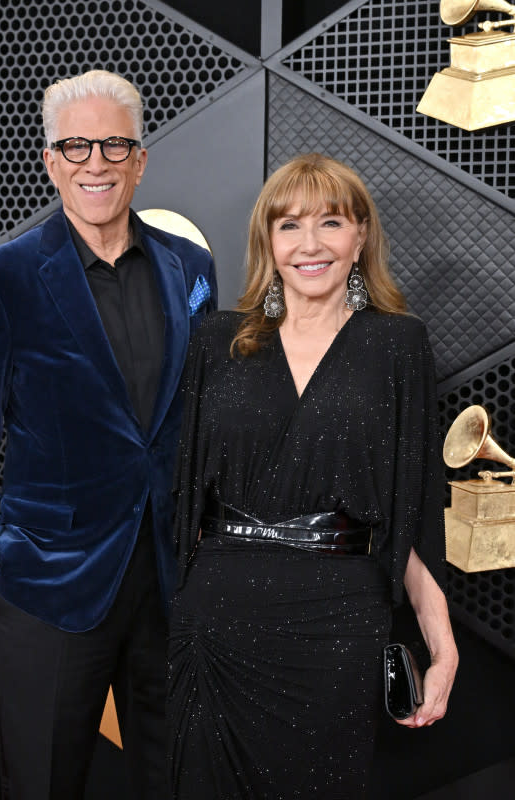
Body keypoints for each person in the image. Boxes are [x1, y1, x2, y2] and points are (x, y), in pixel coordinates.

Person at [0, 69, 217, 799]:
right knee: (42, 782)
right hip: (50, 584)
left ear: (140, 159)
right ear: (50, 161)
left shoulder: (190, 267)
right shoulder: (2, 278)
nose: (96, 163)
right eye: (76, 146)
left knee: (178, 780)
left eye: (114, 145)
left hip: (169, 579)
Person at [168, 153, 458, 799]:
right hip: (216, 619)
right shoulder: (217, 340)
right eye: (289, 225)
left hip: (336, 625)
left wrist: (443, 649)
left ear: (360, 237)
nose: (310, 244)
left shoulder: (397, 345)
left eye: (329, 222)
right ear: (267, 243)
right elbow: (180, 496)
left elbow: (411, 510)